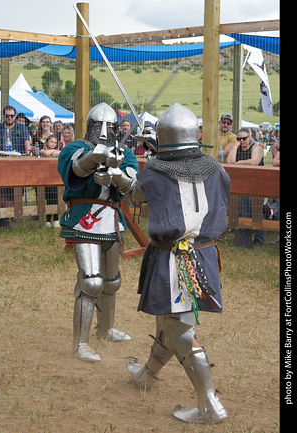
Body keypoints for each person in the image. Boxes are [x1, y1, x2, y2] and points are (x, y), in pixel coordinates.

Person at [123, 103, 230, 424]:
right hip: (204, 253)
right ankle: (147, 375)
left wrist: (131, 171)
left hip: (175, 257)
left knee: (178, 328)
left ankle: (210, 404)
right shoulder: (215, 167)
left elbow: (135, 195)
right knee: (168, 319)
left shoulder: (156, 171)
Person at [57, 102, 139, 362]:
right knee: (91, 281)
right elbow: (76, 169)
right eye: (99, 126)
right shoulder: (75, 148)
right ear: (90, 126)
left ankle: (105, 329)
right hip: (84, 221)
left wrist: (115, 174)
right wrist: (97, 158)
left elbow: (133, 186)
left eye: (110, 127)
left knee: (112, 281)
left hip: (111, 221)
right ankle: (80, 344)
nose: (104, 131)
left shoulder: (124, 153)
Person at [226, 127, 265, 247]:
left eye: (244, 138)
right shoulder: (237, 148)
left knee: (256, 210)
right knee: (244, 210)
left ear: (250, 137)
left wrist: (240, 163)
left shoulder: (256, 147)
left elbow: (255, 161)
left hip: (257, 184)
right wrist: (235, 146)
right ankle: (245, 238)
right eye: (239, 138)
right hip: (242, 184)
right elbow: (229, 161)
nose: (241, 140)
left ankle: (259, 238)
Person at [0, 105, 31, 228]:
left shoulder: (21, 127)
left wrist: (27, 153)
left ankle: (6, 216)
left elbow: (27, 142)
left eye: (12, 116)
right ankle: (3, 218)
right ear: (4, 116)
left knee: (13, 190)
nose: (9, 118)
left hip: (17, 162)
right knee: (1, 190)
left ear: (15, 116)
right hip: (1, 162)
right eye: (7, 115)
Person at [40, 134, 61, 227]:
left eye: (55, 143)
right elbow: (46, 153)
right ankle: (48, 220)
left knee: (55, 198)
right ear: (47, 142)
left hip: (55, 177)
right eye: (51, 142)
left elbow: (61, 153)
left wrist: (54, 151)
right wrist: (54, 151)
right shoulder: (42, 150)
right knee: (48, 199)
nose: (53, 144)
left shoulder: (58, 151)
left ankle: (56, 219)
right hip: (45, 177)